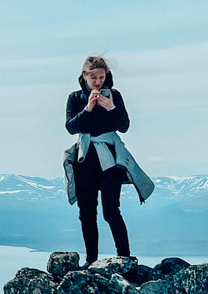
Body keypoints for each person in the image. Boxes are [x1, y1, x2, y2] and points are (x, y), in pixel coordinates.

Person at [63, 55, 154, 264]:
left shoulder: (115, 96)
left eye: (101, 77)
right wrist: (88, 109)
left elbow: (124, 126)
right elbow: (70, 127)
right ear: (84, 76)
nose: (98, 82)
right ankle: (91, 259)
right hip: (85, 160)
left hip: (110, 161)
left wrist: (111, 108)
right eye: (93, 77)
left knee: (111, 210)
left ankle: (124, 256)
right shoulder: (75, 98)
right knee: (86, 213)